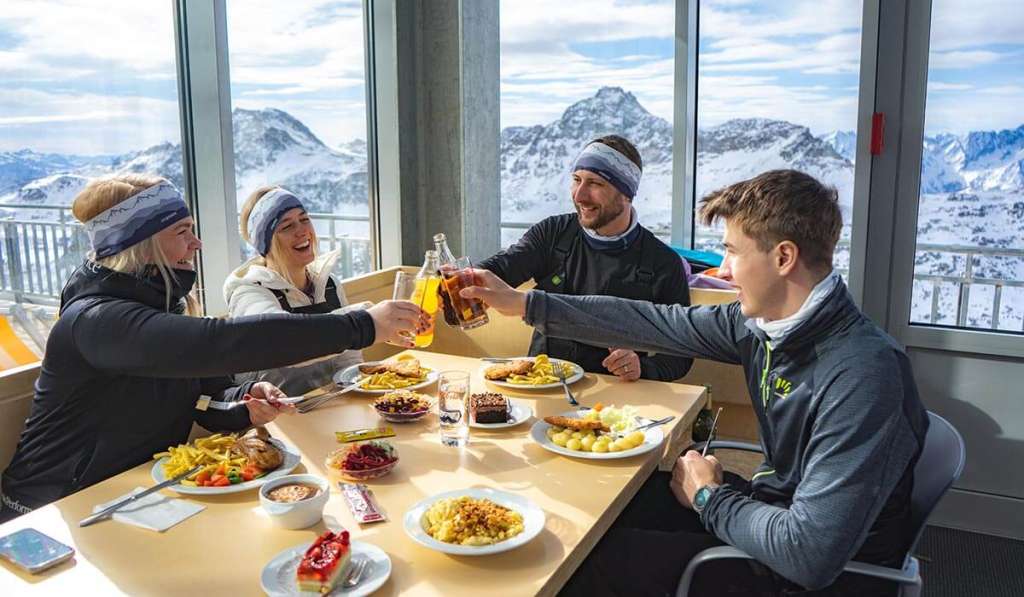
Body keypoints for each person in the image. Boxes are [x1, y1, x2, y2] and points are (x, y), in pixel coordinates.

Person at [462, 169, 929, 596]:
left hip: (804, 575)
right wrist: (525, 305)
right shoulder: (765, 327)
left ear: (784, 257)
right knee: (582, 519)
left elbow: (807, 555)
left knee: (577, 562)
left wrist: (709, 498)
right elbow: (651, 322)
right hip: (768, 513)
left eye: (732, 251)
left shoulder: (862, 374)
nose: (721, 270)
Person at [0, 175, 427, 522]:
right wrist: (362, 324)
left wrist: (244, 402)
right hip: (51, 508)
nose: (197, 244)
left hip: (134, 493)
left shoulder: (163, 306)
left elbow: (206, 393)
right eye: (183, 232)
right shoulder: (97, 321)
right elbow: (221, 344)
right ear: (143, 244)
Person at [477, 135, 691, 382]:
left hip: (617, 401)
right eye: (576, 180)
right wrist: (456, 279)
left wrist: (643, 367)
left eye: (595, 184)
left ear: (627, 194)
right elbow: (501, 268)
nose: (579, 196)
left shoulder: (663, 263)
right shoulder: (553, 234)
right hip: (543, 384)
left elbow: (680, 354)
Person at [224, 185, 368, 395]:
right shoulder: (248, 293)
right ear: (266, 243)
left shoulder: (329, 283)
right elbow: (286, 340)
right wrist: (365, 318)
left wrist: (358, 396)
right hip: (274, 419)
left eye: (304, 219)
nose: (302, 231)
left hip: (326, 407)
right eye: (287, 226)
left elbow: (349, 360)